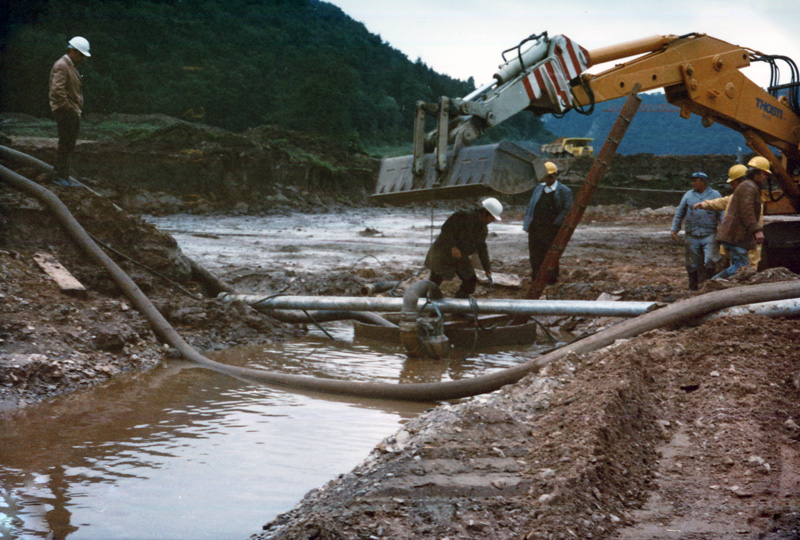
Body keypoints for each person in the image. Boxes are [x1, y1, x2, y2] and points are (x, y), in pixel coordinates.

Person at [424, 198, 502, 298]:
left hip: (460, 257)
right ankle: (427, 307)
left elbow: (482, 248)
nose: (492, 221)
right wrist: (453, 247)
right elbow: (446, 229)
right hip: (442, 254)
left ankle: (459, 307)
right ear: (485, 213)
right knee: (434, 282)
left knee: (471, 281)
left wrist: (487, 268)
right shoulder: (464, 215)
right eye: (491, 218)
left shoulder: (483, 229)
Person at [692, 164, 761, 269]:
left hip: (745, 240)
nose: (733, 186)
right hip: (737, 240)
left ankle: (716, 281)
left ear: (741, 181)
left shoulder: (749, 198)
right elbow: (721, 202)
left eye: (733, 183)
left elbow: (752, 218)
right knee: (738, 267)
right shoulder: (736, 197)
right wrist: (703, 204)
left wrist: (755, 233)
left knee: (743, 268)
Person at [712, 156, 769, 280]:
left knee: (739, 266)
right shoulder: (749, 187)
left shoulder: (749, 186)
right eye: (764, 174)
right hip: (736, 237)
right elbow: (747, 211)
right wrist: (757, 230)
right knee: (741, 268)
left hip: (735, 236)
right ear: (757, 173)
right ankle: (714, 282)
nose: (766, 177)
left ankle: (719, 283)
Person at [522, 161, 573, 283]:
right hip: (535, 227)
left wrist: (556, 223)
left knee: (550, 253)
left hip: (551, 229)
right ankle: (536, 277)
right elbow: (531, 206)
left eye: (550, 176)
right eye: (546, 176)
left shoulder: (565, 191)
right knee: (535, 253)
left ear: (555, 175)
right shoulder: (539, 188)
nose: (548, 179)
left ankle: (551, 279)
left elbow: (567, 210)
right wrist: (527, 223)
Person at [670, 171, 723, 290]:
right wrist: (675, 229)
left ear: (703, 181)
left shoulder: (715, 195)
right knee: (691, 263)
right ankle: (693, 287)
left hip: (709, 233)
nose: (692, 183)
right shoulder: (688, 195)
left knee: (710, 259)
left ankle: (710, 285)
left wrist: (724, 228)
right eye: (692, 180)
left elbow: (721, 213)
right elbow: (680, 213)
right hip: (692, 234)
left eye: (695, 180)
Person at [49, 36, 91, 186]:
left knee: (69, 144)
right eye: (80, 55)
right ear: (72, 51)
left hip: (70, 111)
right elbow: (57, 90)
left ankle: (63, 177)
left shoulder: (70, 66)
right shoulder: (62, 66)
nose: (82, 59)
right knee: (65, 143)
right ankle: (58, 177)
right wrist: (69, 108)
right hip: (65, 111)